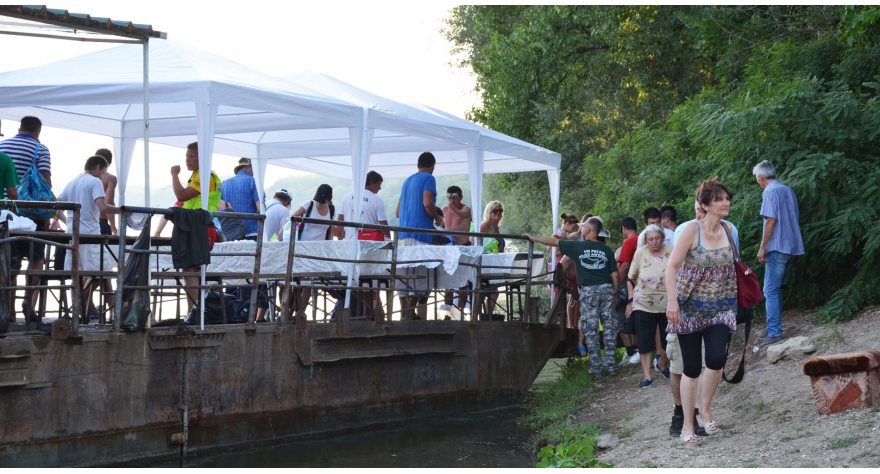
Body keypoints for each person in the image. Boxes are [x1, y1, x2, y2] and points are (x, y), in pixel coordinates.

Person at [665, 179, 738, 445]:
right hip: (689, 308)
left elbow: (734, 266)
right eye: (719, 199)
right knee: (692, 368)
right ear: (705, 205)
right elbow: (672, 267)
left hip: (721, 307)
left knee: (716, 359)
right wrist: (672, 302)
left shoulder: (729, 229)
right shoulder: (691, 230)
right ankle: (687, 425)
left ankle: (704, 410)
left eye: (727, 198)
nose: (726, 203)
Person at [525, 217, 620, 380]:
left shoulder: (578, 246)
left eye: (583, 227)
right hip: (606, 290)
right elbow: (615, 274)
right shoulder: (606, 249)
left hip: (589, 292)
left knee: (591, 330)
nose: (580, 229)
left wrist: (532, 237)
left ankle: (596, 370)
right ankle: (611, 367)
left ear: (588, 230)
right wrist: (615, 293)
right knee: (609, 328)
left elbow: (553, 242)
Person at [51, 156, 121, 319]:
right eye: (103, 171)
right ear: (97, 167)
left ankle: (81, 311)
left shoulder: (73, 181)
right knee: (103, 273)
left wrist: (68, 221)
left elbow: (56, 205)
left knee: (79, 275)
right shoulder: (94, 181)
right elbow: (103, 207)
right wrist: (123, 211)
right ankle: (91, 309)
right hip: (90, 235)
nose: (102, 175)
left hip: (73, 235)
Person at [0, 116, 52, 323]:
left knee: (10, 258)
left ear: (19, 128)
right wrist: (47, 214)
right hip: (31, 212)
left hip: (6, 213)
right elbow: (45, 181)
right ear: (38, 131)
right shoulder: (41, 149)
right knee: (37, 257)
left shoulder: (3, 146)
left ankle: (10, 310)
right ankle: (28, 302)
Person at [753, 160, 804, 347]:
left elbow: (771, 221)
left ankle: (774, 332)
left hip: (778, 246)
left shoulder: (769, 192)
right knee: (775, 288)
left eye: (757, 179)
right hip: (792, 246)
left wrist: (762, 247)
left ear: (761, 178)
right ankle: (772, 327)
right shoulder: (787, 189)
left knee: (770, 289)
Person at [170, 142, 222, 308]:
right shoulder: (197, 176)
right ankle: (198, 310)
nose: (187, 160)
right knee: (193, 270)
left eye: (192, 156)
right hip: (196, 226)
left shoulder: (205, 176)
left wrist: (174, 175)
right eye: (187, 156)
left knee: (190, 269)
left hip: (200, 226)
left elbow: (182, 195)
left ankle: (194, 311)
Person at [395, 152, 443, 320]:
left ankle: (403, 313)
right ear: (433, 166)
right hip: (421, 234)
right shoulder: (429, 178)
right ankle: (410, 312)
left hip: (402, 235)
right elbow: (427, 203)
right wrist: (438, 218)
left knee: (404, 275)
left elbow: (397, 212)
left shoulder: (407, 181)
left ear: (418, 165)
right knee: (422, 275)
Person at [626, 224, 671, 388]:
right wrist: (631, 300)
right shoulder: (640, 253)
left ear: (662, 238)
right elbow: (631, 276)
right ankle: (647, 376)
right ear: (646, 241)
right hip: (644, 303)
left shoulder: (671, 251)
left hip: (668, 304)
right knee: (644, 340)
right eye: (650, 239)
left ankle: (662, 364)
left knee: (668, 339)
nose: (654, 242)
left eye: (657, 238)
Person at [291, 184, 337, 312]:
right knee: (298, 283)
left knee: (310, 286)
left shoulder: (331, 209)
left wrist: (330, 247)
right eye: (318, 201)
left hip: (319, 251)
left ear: (328, 200)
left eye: (322, 202)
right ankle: (289, 312)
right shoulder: (309, 204)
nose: (319, 204)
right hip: (303, 248)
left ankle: (299, 313)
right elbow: (292, 218)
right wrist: (282, 232)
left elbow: (331, 230)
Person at [439, 185, 473, 312]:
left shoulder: (466, 209)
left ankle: (460, 313)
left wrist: (454, 210)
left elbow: (464, 215)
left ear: (461, 197)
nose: (451, 200)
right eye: (449, 197)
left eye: (454, 197)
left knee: (462, 282)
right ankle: (447, 314)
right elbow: (442, 226)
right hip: (449, 248)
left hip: (463, 247)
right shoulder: (445, 209)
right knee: (448, 283)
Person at [338, 171, 389, 241]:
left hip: (349, 243)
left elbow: (340, 223)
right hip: (368, 243)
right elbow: (385, 227)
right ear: (372, 182)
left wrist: (340, 242)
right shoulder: (378, 201)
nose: (380, 188)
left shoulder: (346, 197)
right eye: (379, 184)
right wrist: (389, 242)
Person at [617, 216, 640, 365]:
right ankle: (636, 348)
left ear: (624, 228)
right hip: (640, 282)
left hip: (628, 282)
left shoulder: (629, 241)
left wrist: (616, 284)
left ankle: (632, 349)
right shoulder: (642, 238)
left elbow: (625, 266)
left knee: (620, 313)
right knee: (635, 314)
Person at [220, 158, 262, 241]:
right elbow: (260, 208)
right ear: (247, 167)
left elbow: (218, 205)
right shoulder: (254, 182)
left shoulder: (223, 183)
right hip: (250, 233)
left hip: (228, 233)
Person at [479, 201, 506, 315]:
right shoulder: (486, 224)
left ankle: (486, 318)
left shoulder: (496, 227)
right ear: (489, 212)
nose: (498, 213)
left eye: (500, 210)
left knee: (494, 294)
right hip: (484, 264)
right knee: (481, 293)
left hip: (493, 265)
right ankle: (475, 318)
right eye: (495, 210)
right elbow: (473, 240)